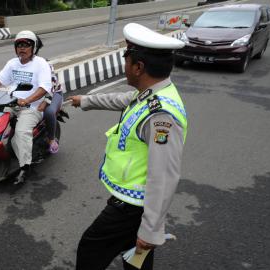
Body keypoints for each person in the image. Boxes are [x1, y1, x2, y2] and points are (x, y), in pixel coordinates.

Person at [67, 23, 187, 270]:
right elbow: (121, 99)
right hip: (133, 203)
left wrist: (151, 230)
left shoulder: (160, 116)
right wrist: (85, 100)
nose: (125, 67)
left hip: (133, 207)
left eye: (127, 60)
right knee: (135, 258)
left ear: (138, 67)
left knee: (91, 248)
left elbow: (163, 176)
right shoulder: (151, 92)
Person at [0, 30, 52, 184]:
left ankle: (24, 167)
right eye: (19, 45)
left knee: (21, 133)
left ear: (33, 47)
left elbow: (44, 88)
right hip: (10, 103)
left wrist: (27, 100)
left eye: (26, 45)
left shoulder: (40, 63)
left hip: (31, 107)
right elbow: (0, 80)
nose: (22, 48)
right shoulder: (12, 63)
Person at [37, 64, 63, 154]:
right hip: (35, 95)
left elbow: (51, 85)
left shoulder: (44, 65)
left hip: (54, 93)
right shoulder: (18, 65)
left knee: (49, 112)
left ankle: (51, 139)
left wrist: (45, 102)